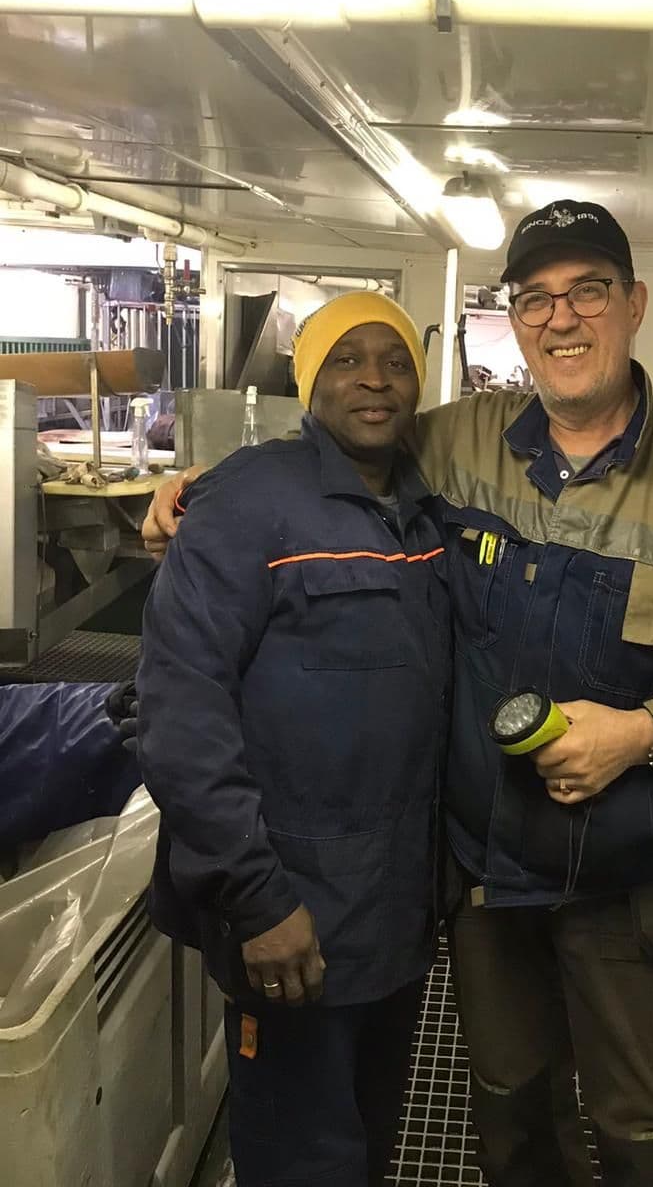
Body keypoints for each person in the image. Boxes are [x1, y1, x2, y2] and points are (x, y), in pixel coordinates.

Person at [143, 201, 653, 1187]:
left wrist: (642, 732)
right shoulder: (457, 442)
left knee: (648, 1140)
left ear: (635, 304)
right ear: (516, 319)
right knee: (514, 1120)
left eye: (587, 290)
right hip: (489, 881)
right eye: (535, 298)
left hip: (632, 883)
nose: (561, 317)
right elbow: (333, 451)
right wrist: (204, 491)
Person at [136, 294, 450, 1187]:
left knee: (368, 1140)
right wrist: (257, 899)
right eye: (346, 360)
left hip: (396, 913)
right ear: (310, 383)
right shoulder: (248, 503)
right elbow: (180, 711)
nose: (374, 380)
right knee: (299, 1159)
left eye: (394, 361)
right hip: (290, 913)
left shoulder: (427, 508)